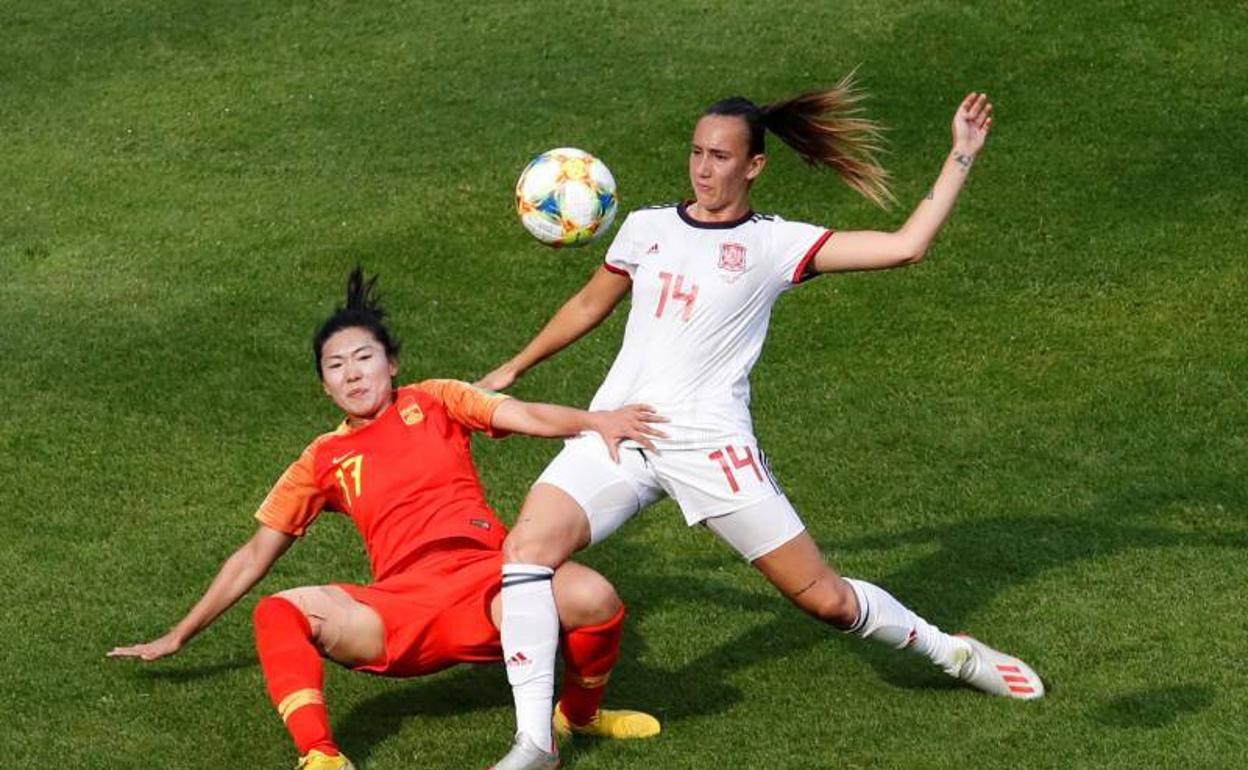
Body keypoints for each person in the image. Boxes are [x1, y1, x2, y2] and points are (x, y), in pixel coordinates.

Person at [478, 78, 1044, 770]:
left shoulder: (775, 244)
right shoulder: (646, 228)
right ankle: (535, 744)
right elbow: (589, 304)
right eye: (696, 153)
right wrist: (514, 367)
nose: (703, 169)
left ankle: (951, 652)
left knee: (827, 601)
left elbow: (906, 245)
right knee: (527, 548)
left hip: (713, 448)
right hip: (623, 430)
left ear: (755, 166)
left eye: (720, 157)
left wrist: (961, 155)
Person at [109, 268, 665, 770]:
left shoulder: (437, 398)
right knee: (280, 610)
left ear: (392, 364)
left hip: (490, 587)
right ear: (324, 385)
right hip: (399, 610)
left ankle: (578, 716)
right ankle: (321, 756)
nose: (352, 375)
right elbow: (255, 554)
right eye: (335, 366)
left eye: (363, 358)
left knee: (594, 595)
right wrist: (180, 633)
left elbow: (523, 415)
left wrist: (596, 420)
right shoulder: (321, 458)